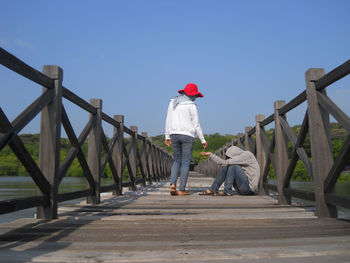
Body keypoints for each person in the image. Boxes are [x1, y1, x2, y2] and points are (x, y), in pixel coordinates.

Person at [165, 83, 208, 196]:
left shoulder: (173, 102)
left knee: (176, 160)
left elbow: (168, 119)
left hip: (174, 134)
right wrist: (202, 140)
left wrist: (167, 136)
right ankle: (182, 189)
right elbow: (196, 124)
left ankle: (173, 185)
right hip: (187, 135)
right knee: (185, 162)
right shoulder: (192, 106)